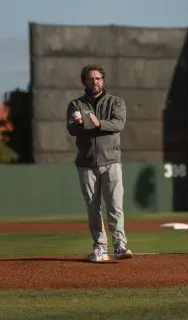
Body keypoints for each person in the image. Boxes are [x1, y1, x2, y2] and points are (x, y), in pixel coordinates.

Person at [66, 64, 133, 263]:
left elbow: (118, 125)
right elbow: (72, 129)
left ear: (103, 80)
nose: (95, 82)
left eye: (98, 78)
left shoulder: (116, 102)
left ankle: (120, 246)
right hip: (86, 163)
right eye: (90, 79)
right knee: (93, 206)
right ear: (84, 82)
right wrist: (87, 124)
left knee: (115, 206)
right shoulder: (75, 104)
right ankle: (100, 248)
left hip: (111, 161)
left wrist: (96, 123)